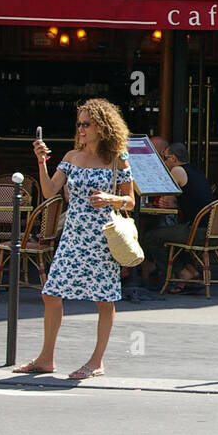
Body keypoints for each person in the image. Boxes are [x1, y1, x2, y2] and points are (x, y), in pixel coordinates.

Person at [14, 98, 134, 380]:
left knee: (104, 300)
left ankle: (96, 361)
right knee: (51, 293)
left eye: (86, 124)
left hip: (103, 237)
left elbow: (130, 202)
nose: (80, 129)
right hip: (72, 235)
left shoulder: (117, 158)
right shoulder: (70, 157)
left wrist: (110, 198)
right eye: (79, 124)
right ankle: (46, 358)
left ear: (102, 127)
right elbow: (48, 191)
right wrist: (42, 162)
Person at [140, 143, 213, 290]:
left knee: (151, 237)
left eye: (165, 158)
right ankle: (191, 271)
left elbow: (166, 200)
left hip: (196, 231)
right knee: (170, 234)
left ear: (173, 159)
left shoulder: (177, 170)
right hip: (208, 230)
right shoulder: (195, 171)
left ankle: (181, 273)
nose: (164, 162)